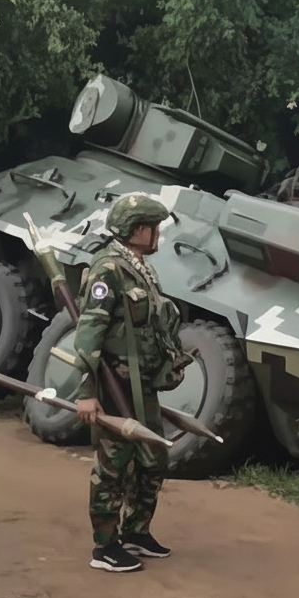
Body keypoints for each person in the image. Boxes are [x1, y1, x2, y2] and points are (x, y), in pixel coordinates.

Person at [73, 192, 192, 573]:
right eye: (153, 227)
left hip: (142, 385)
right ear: (137, 229)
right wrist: (88, 392)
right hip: (115, 384)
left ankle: (135, 531)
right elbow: (90, 330)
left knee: (153, 457)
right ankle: (104, 546)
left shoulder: (139, 268)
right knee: (113, 465)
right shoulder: (108, 269)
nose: (158, 234)